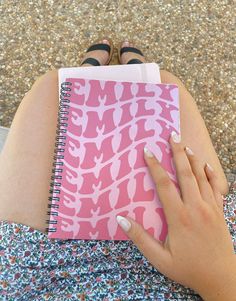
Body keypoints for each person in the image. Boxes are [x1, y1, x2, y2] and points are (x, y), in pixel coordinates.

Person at [0, 38, 235, 300]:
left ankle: (89, 72)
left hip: (44, 275)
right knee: (164, 83)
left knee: (51, 86)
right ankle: (135, 69)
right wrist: (220, 278)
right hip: (203, 266)